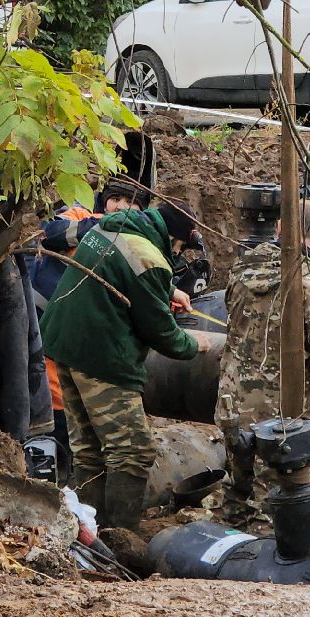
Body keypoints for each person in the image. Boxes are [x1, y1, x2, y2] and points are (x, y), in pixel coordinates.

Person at [40, 202, 214, 533]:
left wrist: (168, 289)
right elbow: (161, 333)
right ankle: (121, 536)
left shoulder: (116, 226)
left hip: (64, 343)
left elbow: (121, 268)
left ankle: (91, 531)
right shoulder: (149, 258)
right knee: (133, 451)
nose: (177, 254)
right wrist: (195, 344)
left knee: (89, 448)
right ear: (174, 238)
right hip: (101, 356)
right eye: (179, 248)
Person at [216, 199, 310, 531]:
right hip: (286, 421)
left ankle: (227, 548)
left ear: (278, 228)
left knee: (237, 490)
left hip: (236, 405)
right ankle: (264, 557)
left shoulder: (242, 272)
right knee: (273, 502)